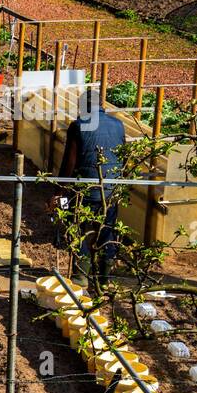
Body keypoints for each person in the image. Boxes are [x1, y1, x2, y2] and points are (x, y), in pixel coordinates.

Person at [56, 86, 126, 292]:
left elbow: (69, 163)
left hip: (86, 190)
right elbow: (122, 158)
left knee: (79, 229)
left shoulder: (78, 126)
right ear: (102, 105)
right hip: (111, 189)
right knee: (107, 231)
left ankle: (80, 277)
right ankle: (104, 280)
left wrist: (61, 190)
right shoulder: (119, 125)